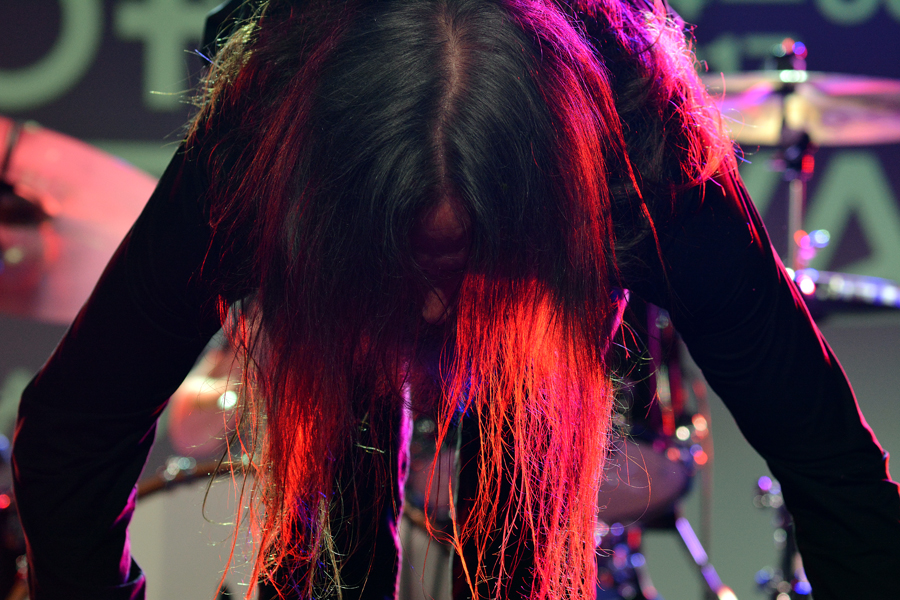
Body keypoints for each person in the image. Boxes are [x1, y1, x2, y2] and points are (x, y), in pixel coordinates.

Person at [11, 0, 900, 599]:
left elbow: (834, 471)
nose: (436, 314)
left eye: (471, 265)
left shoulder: (648, 165)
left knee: (523, 514)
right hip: (327, 214)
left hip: (565, 215)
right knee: (331, 534)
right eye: (416, 265)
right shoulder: (262, 149)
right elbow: (70, 434)